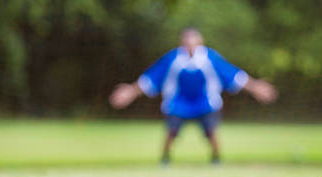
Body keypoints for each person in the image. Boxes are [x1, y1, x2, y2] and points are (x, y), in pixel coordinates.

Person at [109, 28, 278, 164]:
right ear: (182, 43)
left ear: (200, 42)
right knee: (171, 132)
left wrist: (256, 87)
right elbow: (151, 78)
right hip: (178, 102)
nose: (190, 45)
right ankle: (165, 158)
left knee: (211, 132)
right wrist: (130, 91)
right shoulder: (173, 58)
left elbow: (234, 75)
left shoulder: (210, 58)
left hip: (205, 102)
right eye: (187, 41)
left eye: (193, 41)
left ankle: (216, 158)